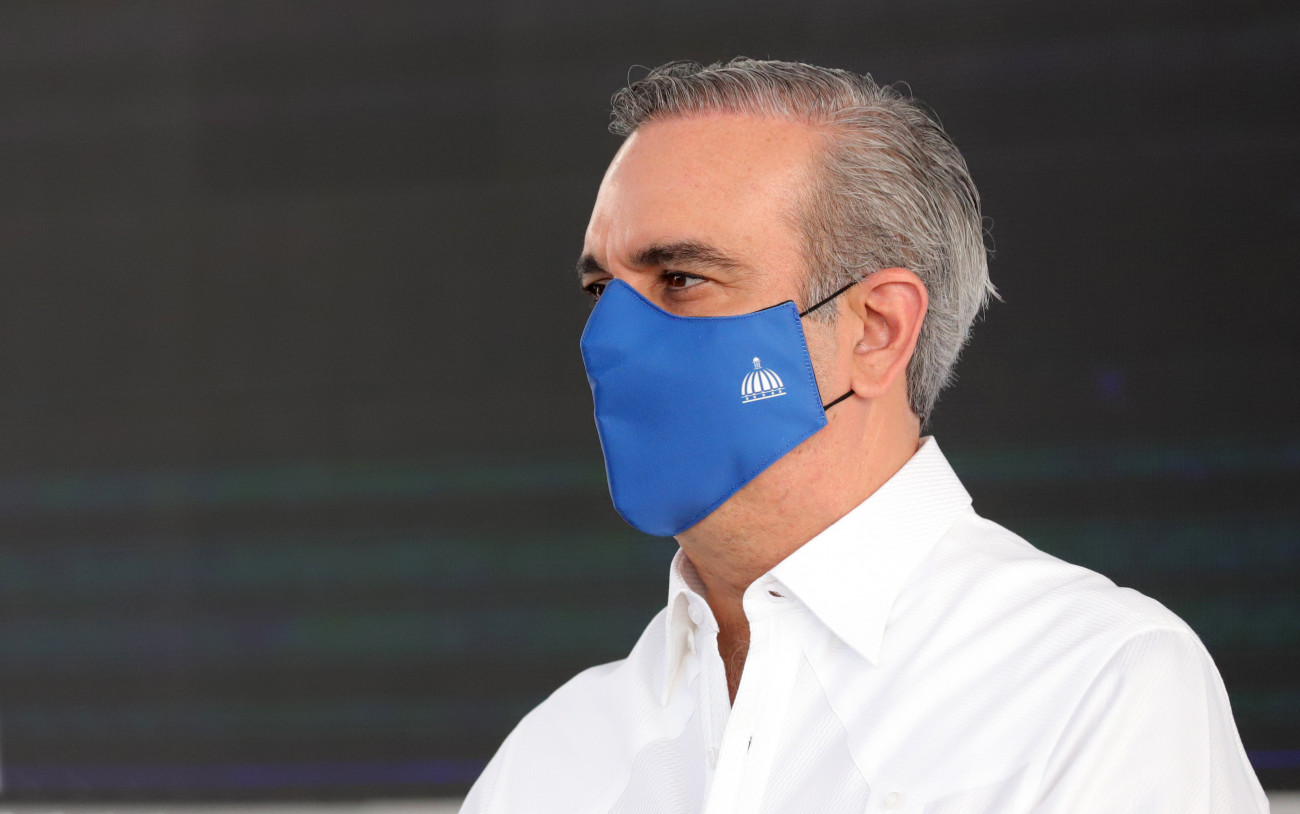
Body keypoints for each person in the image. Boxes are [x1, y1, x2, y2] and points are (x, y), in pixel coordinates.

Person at [460, 59, 1268, 813]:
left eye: (681, 279)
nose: (607, 340)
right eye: (602, 288)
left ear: (877, 329)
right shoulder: (554, 757)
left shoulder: (1094, 688)